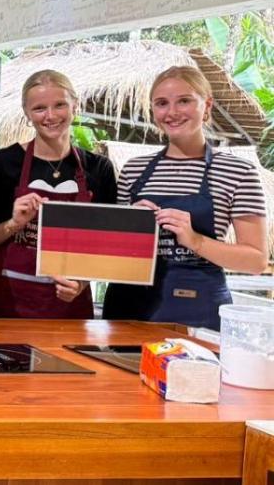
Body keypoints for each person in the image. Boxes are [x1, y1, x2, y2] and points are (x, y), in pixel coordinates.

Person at [102, 65, 267, 330]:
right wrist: (131, 226)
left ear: (207, 105)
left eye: (184, 101)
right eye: (162, 103)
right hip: (129, 309)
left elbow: (256, 261)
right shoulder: (133, 170)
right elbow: (114, 253)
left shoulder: (238, 172)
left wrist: (195, 240)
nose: (172, 112)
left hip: (198, 314)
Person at [0, 69, 118, 318]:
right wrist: (13, 224)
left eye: (59, 105)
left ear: (75, 106)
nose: (50, 116)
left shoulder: (99, 169)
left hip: (69, 306)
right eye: (39, 108)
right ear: (27, 113)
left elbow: (107, 246)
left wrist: (81, 283)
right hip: (5, 303)